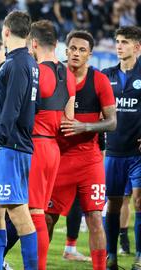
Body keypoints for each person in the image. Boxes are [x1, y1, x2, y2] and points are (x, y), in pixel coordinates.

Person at [2, 19, 76, 270]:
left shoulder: (35, 70)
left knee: (30, 214)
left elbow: (21, 112)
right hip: (53, 148)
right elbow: (69, 119)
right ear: (56, 43)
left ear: (33, 43)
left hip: (33, 146)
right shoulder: (68, 74)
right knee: (37, 212)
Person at [45, 30, 116, 270]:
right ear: (65, 51)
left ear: (90, 54)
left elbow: (112, 122)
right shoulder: (54, 76)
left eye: (82, 50)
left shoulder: (99, 80)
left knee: (95, 217)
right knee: (46, 217)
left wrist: (84, 125)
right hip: (59, 158)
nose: (76, 53)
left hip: (89, 161)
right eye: (72, 48)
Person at [0, 10, 39, 270]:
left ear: (5, 31)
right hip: (7, 146)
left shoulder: (17, 64)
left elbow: (12, 109)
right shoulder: (23, 62)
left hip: (9, 148)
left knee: (17, 212)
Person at [102, 25, 141, 270]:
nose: (118, 45)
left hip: (138, 153)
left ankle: (139, 256)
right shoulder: (106, 75)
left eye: (124, 42)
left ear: (137, 47)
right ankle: (111, 256)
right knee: (114, 204)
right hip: (113, 151)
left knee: (139, 201)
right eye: (117, 41)